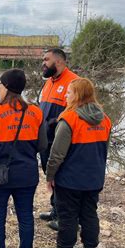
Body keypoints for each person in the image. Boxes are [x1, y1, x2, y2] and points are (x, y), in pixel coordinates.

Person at [40, 78, 112, 248]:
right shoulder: (104, 119)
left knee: (68, 216)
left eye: (69, 92)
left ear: (78, 95)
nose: (66, 95)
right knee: (89, 214)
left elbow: (56, 154)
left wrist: (50, 176)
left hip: (70, 180)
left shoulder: (69, 119)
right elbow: (104, 150)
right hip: (94, 179)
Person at [0, 69, 47, 248]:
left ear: (7, 87)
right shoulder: (36, 112)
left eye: (0, 85)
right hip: (27, 173)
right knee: (26, 217)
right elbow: (43, 144)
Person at [38, 48, 79, 230]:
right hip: (46, 140)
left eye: (46, 60)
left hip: (62, 141)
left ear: (59, 62)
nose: (43, 63)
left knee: (62, 178)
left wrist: (53, 122)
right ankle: (56, 209)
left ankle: (67, 217)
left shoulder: (74, 82)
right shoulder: (49, 82)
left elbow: (74, 111)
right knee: (51, 175)